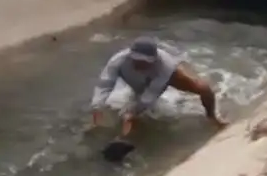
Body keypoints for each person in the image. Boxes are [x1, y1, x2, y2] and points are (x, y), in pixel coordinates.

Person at [90, 37, 227, 137]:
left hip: (163, 78)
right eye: (136, 60)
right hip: (136, 81)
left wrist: (132, 113)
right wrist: (97, 107)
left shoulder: (165, 65)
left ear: (154, 59)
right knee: (126, 115)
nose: (140, 64)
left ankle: (212, 117)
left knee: (203, 89)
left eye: (144, 62)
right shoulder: (117, 61)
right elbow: (104, 84)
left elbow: (150, 95)